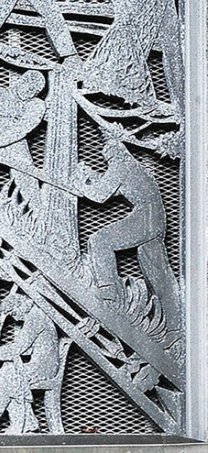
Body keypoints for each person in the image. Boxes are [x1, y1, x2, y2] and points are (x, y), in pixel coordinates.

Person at [73, 136, 181, 333]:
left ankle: (110, 295)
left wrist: (81, 182)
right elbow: (113, 188)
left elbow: (100, 195)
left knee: (99, 241)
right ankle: (176, 323)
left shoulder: (120, 166)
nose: (105, 155)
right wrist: (91, 178)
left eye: (107, 150)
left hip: (145, 218)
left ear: (114, 150)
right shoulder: (132, 166)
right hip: (156, 219)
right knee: (158, 274)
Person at [0, 292, 60, 433]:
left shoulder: (35, 318)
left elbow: (18, 348)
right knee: (8, 376)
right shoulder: (37, 315)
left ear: (19, 306)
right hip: (43, 364)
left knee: (8, 379)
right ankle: (28, 423)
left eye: (12, 313)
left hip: (43, 368)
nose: (14, 318)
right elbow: (25, 349)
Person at [0, 70, 46, 209]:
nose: (31, 92)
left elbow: (19, 131)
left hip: (17, 148)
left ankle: (39, 218)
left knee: (27, 182)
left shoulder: (36, 106)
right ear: (21, 81)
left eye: (35, 91)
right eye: (29, 87)